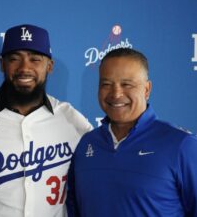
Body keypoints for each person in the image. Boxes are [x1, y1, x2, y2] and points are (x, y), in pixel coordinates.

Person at [0, 24, 93, 217]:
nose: (24, 68)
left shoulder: (71, 120)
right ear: (2, 64)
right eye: (14, 59)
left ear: (50, 66)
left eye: (35, 59)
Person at [67, 48, 197, 216]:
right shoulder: (86, 144)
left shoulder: (182, 145)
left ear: (146, 89)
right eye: (106, 84)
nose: (116, 93)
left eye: (127, 84)